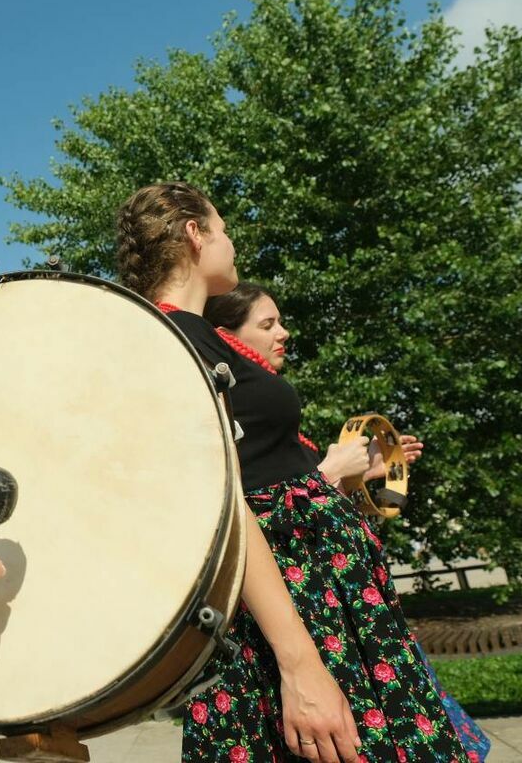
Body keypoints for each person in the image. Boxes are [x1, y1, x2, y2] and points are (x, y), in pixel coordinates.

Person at [115, 181, 469, 763]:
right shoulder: (176, 338)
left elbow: (259, 471)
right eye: (223, 229)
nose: (231, 243)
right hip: (295, 610)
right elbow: (223, 506)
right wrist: (301, 664)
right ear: (193, 234)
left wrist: (345, 477)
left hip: (317, 598)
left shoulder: (195, 335)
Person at [204, 281, 491, 761]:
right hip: (309, 626)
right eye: (267, 324)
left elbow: (307, 516)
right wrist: (332, 470)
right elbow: (261, 519)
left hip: (346, 614)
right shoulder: (228, 417)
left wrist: (363, 476)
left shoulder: (272, 430)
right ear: (228, 340)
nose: (284, 333)